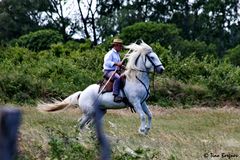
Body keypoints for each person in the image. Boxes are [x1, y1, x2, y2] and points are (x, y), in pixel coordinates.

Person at [103, 38, 124, 102]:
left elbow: (119, 64)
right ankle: (115, 95)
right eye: (120, 46)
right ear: (116, 45)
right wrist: (117, 64)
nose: (121, 48)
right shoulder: (110, 53)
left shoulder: (117, 54)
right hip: (108, 71)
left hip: (116, 71)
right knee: (117, 78)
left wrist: (124, 67)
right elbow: (107, 62)